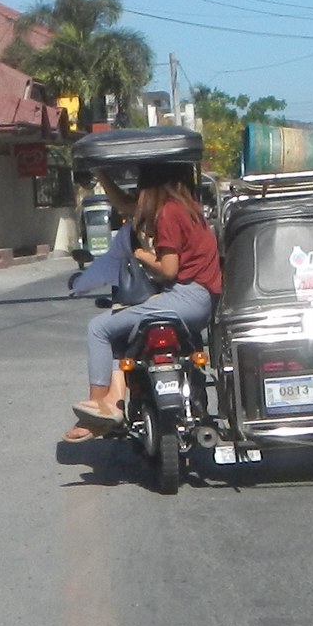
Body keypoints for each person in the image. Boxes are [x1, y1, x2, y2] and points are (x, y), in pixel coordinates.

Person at [67, 170, 220, 438]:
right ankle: (114, 399)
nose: (137, 197)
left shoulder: (168, 214)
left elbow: (168, 269)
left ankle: (97, 411)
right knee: (121, 331)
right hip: (199, 300)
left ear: (150, 189)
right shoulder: (187, 208)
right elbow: (125, 204)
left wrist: (138, 253)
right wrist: (103, 177)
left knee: (98, 328)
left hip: (185, 298)